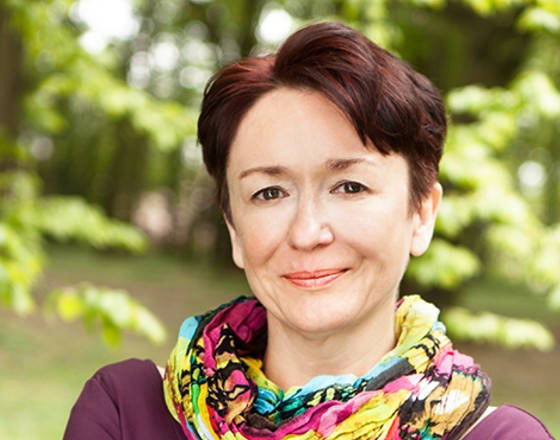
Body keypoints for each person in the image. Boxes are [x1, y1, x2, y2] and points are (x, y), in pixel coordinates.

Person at [64, 22, 554, 439]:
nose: (306, 232)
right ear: (233, 228)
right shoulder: (128, 414)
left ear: (422, 213)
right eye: (269, 193)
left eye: (350, 186)